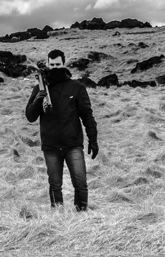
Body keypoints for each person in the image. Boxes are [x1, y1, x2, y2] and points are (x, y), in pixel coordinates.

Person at [25, 49, 98, 211]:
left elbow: (87, 115)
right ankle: (58, 218)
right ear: (48, 65)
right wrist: (39, 98)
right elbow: (30, 116)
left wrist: (93, 140)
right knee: (55, 184)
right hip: (51, 145)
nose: (55, 67)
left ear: (63, 64)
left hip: (73, 144)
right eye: (52, 65)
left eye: (58, 64)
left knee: (80, 183)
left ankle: (82, 216)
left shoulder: (76, 87)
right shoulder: (40, 88)